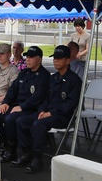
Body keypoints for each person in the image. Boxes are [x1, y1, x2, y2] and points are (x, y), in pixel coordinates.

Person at [12, 45, 82, 173]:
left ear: (67, 60)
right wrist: (42, 110)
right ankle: (27, 153)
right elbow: (45, 98)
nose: (56, 61)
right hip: (48, 113)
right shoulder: (53, 78)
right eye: (55, 58)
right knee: (21, 121)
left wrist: (51, 113)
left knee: (38, 124)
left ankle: (37, 158)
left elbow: (70, 104)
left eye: (59, 58)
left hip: (62, 116)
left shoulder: (74, 81)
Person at [0, 46, 51, 163]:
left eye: (31, 57)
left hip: (30, 108)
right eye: (27, 56)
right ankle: (5, 144)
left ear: (39, 59)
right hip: (16, 106)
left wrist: (22, 107)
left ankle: (14, 151)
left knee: (10, 119)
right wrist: (6, 102)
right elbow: (13, 90)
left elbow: (38, 97)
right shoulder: (24, 73)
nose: (27, 59)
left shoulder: (44, 75)